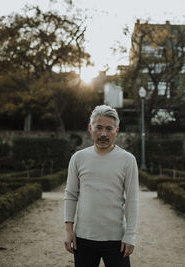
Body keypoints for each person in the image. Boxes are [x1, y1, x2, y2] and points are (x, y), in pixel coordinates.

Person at [64, 105, 139, 267]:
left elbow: (132, 200)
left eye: (109, 128)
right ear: (90, 128)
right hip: (83, 239)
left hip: (116, 239)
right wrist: (69, 231)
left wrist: (130, 235)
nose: (103, 133)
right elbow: (70, 195)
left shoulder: (128, 160)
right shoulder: (78, 158)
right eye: (99, 128)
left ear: (116, 130)